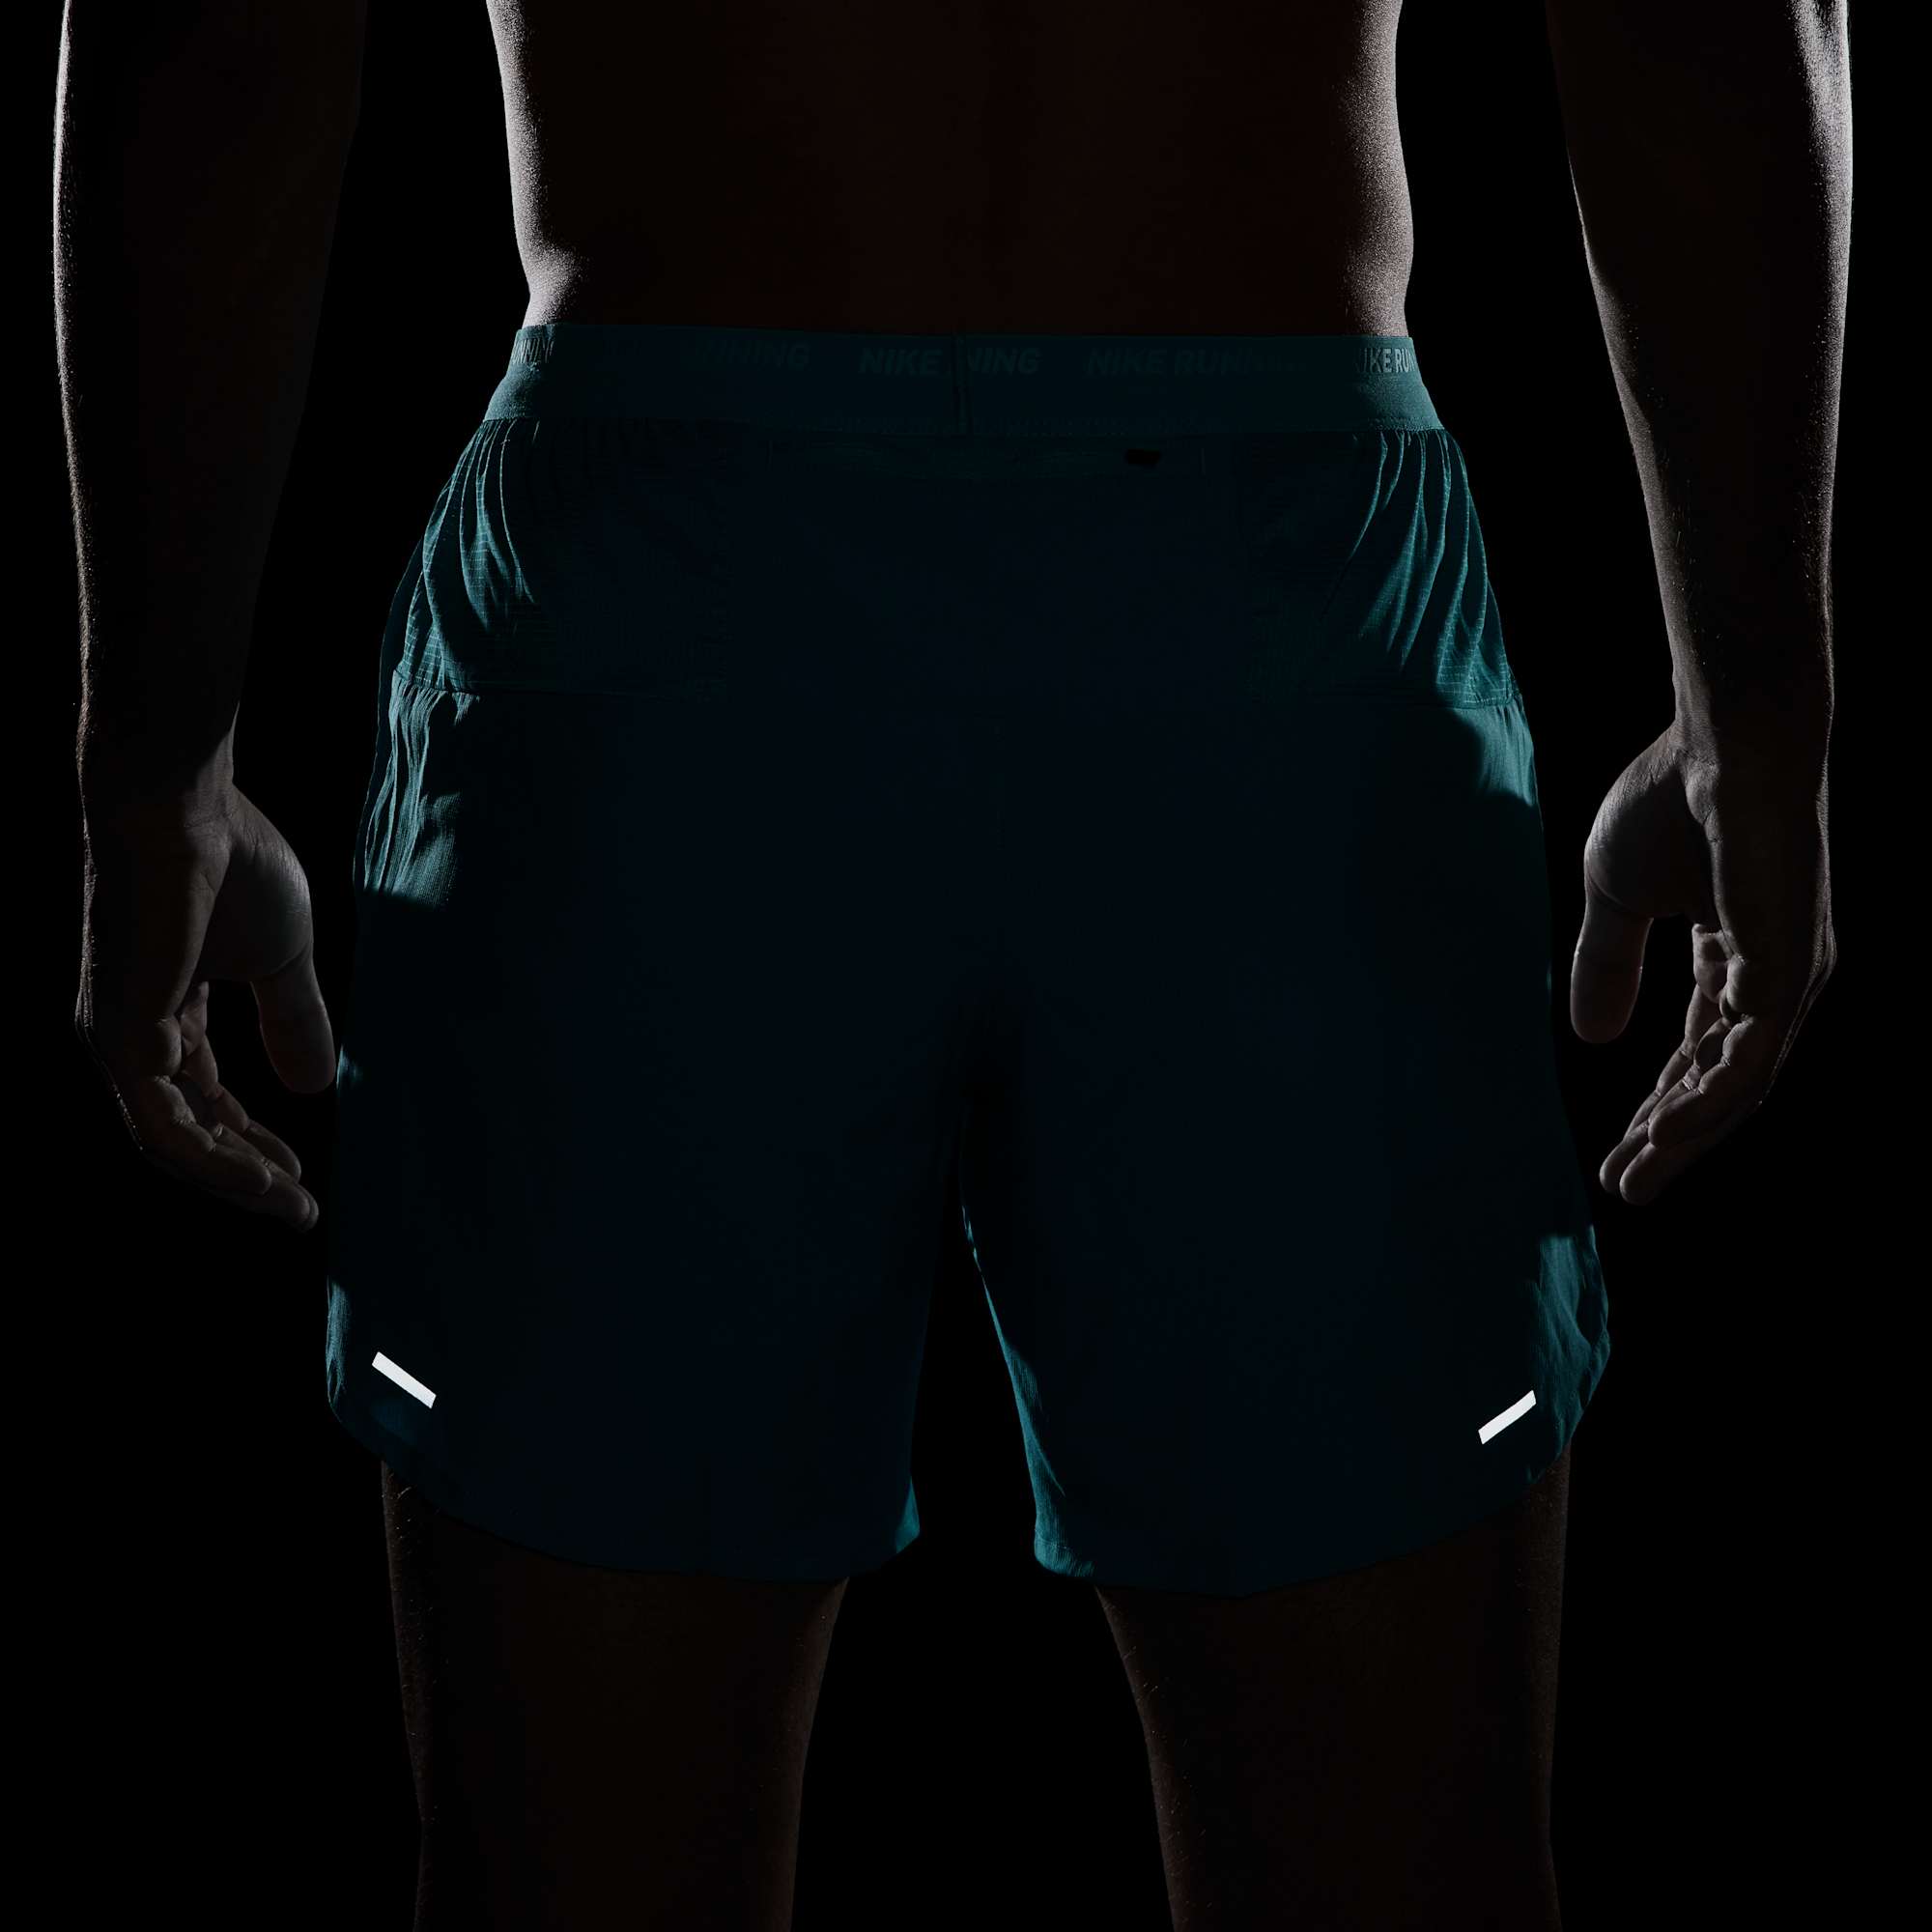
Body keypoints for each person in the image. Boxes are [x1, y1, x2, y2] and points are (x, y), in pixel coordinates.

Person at [60, 2, 1844, 1926]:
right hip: (1261, 604)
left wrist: (156, 762)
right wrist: (1755, 715)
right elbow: (1699, 31)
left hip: (671, 607)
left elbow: (220, 38)